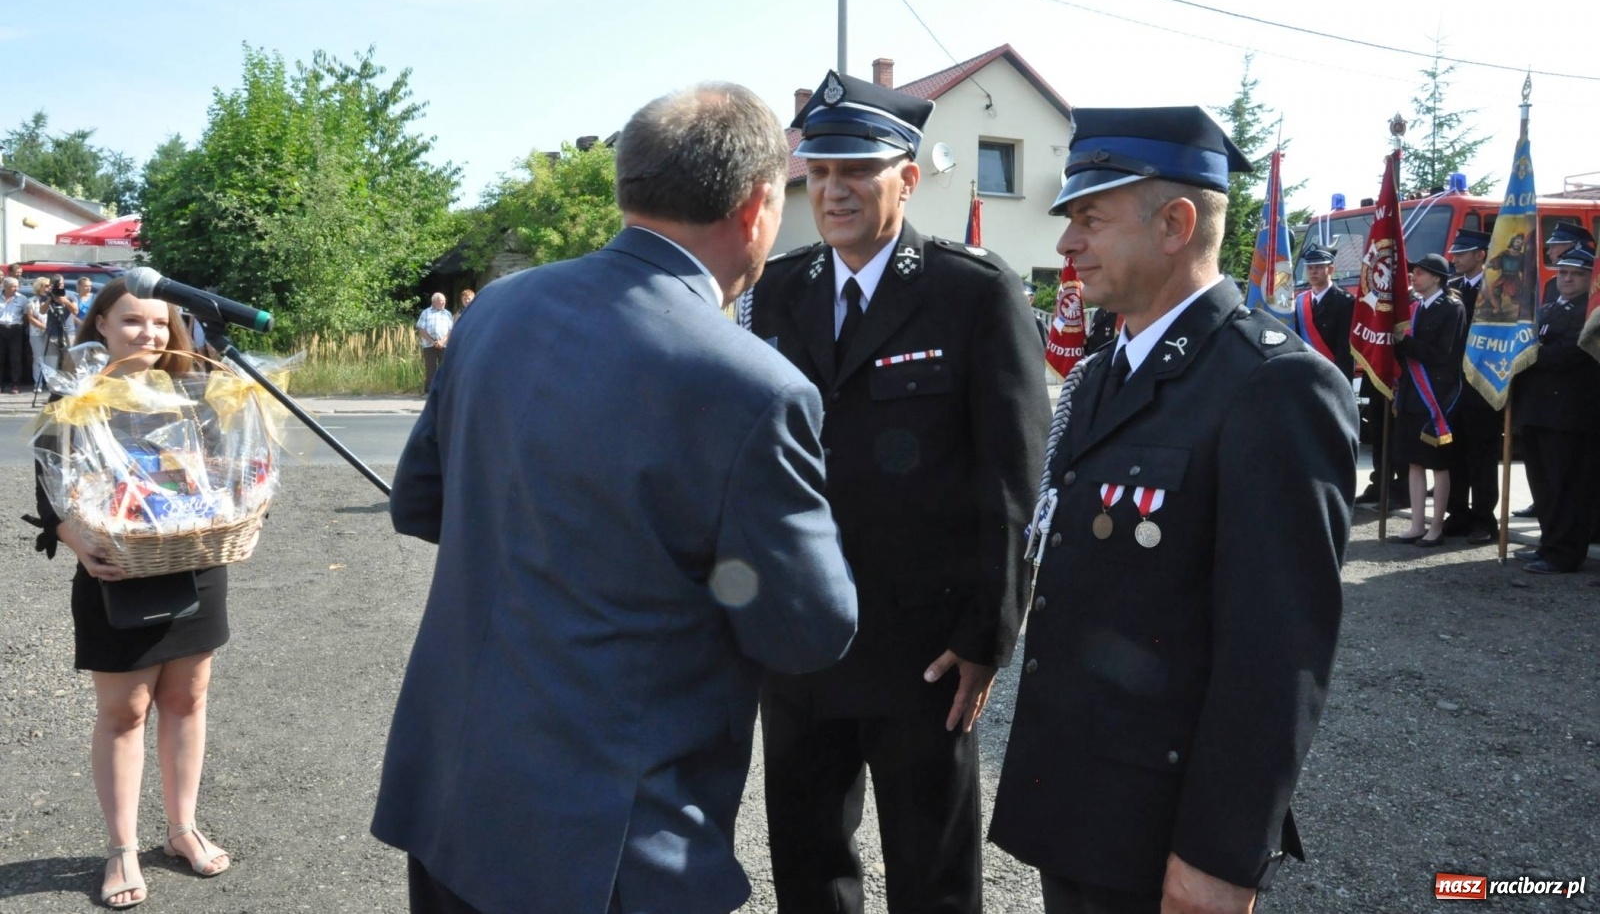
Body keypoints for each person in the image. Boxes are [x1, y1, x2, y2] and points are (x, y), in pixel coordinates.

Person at [373, 83, 858, 914]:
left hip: (456, 794)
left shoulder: (497, 310)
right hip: (607, 843)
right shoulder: (753, 387)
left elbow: (420, 501)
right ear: (756, 207)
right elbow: (809, 627)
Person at [988, 106, 1357, 914]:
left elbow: (1278, 652)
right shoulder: (1100, 374)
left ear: (1176, 224)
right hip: (1079, 805)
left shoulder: (1272, 386)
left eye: (1089, 218)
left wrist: (1221, 856)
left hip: (1163, 829)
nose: (1065, 244)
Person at [743, 70, 1047, 914]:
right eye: (820, 171)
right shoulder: (778, 291)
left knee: (933, 869)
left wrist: (988, 634)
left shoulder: (973, 293)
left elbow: (1012, 479)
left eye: (856, 172)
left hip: (927, 647)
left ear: (907, 179)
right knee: (806, 861)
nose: (832, 190)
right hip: (804, 635)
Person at [27, 278, 231, 909]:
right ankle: (121, 848)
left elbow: (225, 482)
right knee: (123, 713)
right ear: (102, 328)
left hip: (193, 564)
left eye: (162, 325)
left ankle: (182, 829)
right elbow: (49, 497)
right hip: (115, 572)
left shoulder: (195, 401)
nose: (149, 334)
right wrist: (76, 538)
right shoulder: (75, 401)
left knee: (188, 699)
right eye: (133, 322)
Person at [1511, 246, 1599, 574]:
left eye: (1575, 274)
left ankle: (1564, 553)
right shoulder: (1547, 310)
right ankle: (1549, 544)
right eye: (1562, 272)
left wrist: (1533, 353)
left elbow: (1568, 354)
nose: (1566, 278)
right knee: (1544, 486)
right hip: (1537, 410)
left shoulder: (1590, 312)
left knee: (1566, 487)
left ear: (1591, 279)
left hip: (1568, 414)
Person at [1391, 254, 1467, 546]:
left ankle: (1436, 527)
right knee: (1414, 461)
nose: (1414, 277)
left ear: (1437, 278)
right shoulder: (1415, 307)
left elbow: (1443, 354)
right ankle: (1416, 524)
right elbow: (1406, 353)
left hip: (1437, 394)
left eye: (1421, 273)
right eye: (1414, 272)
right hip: (1413, 393)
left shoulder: (1452, 308)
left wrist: (1404, 341)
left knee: (1438, 462)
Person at [1442, 230, 1501, 544]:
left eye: (1462, 253)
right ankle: (1458, 514)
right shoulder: (1450, 289)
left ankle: (1483, 519)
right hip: (1454, 385)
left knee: (1481, 455)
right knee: (1454, 453)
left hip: (1484, 382)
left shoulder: (1500, 289)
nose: (1455, 258)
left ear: (1481, 255)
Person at [1294, 245, 1356, 381]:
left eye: (1319, 267)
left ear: (1331, 269)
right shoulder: (1300, 301)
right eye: (1310, 268)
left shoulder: (1345, 302)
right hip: (1305, 372)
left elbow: (1345, 350)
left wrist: (1341, 383)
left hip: (1331, 374)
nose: (1313, 272)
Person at [1538, 222, 1595, 307]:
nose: (1548, 252)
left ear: (1573, 246)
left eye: (1553, 246)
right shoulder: (1552, 283)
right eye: (1563, 273)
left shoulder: (1595, 279)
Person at [414, 292, 452, 394]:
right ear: (434, 302)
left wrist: (442, 341)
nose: (443, 303)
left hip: (444, 345)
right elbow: (421, 329)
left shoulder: (447, 314)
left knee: (444, 368)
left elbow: (450, 330)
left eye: (444, 301)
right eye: (441, 301)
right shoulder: (426, 313)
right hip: (429, 345)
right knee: (430, 368)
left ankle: (443, 391)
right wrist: (432, 341)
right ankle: (429, 391)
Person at [1, 276, 31, 392]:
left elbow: (25, 316)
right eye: (13, 286)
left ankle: (15, 384)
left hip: (15, 329)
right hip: (1, 328)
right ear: (5, 287)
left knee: (15, 358)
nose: (16, 289)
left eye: (17, 286)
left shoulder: (22, 298)